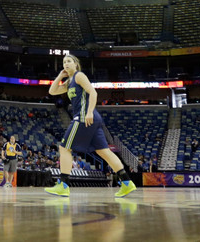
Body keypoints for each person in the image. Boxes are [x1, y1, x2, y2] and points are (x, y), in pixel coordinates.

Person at [44, 55, 136, 198]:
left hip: (84, 117)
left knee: (64, 148)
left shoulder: (79, 76)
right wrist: (59, 76)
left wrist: (88, 112)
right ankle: (127, 182)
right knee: (104, 152)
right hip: (91, 119)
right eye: (64, 62)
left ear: (76, 64)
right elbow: (52, 91)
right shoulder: (69, 82)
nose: (66, 64)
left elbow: (93, 92)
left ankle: (63, 185)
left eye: (69, 61)